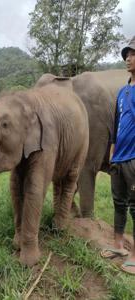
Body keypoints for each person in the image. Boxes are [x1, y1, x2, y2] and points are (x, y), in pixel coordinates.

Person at [101, 36, 135, 275]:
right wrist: (112, 153)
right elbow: (115, 123)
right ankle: (118, 246)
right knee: (119, 204)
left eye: (133, 54)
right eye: (127, 55)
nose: (128, 58)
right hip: (119, 159)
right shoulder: (122, 92)